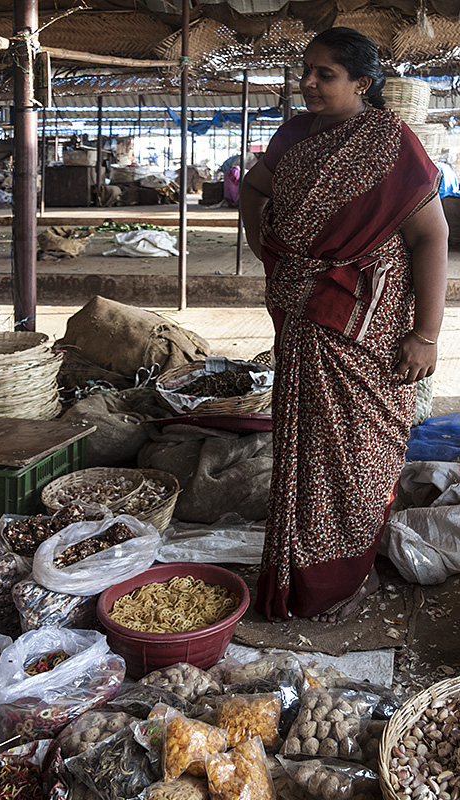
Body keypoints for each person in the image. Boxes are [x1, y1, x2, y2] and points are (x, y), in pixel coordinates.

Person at [240, 27, 449, 623]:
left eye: (324, 74)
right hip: (303, 324)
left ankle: (339, 571)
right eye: (304, 71)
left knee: (362, 453)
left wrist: (426, 335)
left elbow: (431, 236)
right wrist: (266, 245)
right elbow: (255, 190)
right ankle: (295, 571)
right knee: (302, 446)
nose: (306, 83)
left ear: (362, 83)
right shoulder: (293, 136)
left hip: (364, 329)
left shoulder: (392, 144)